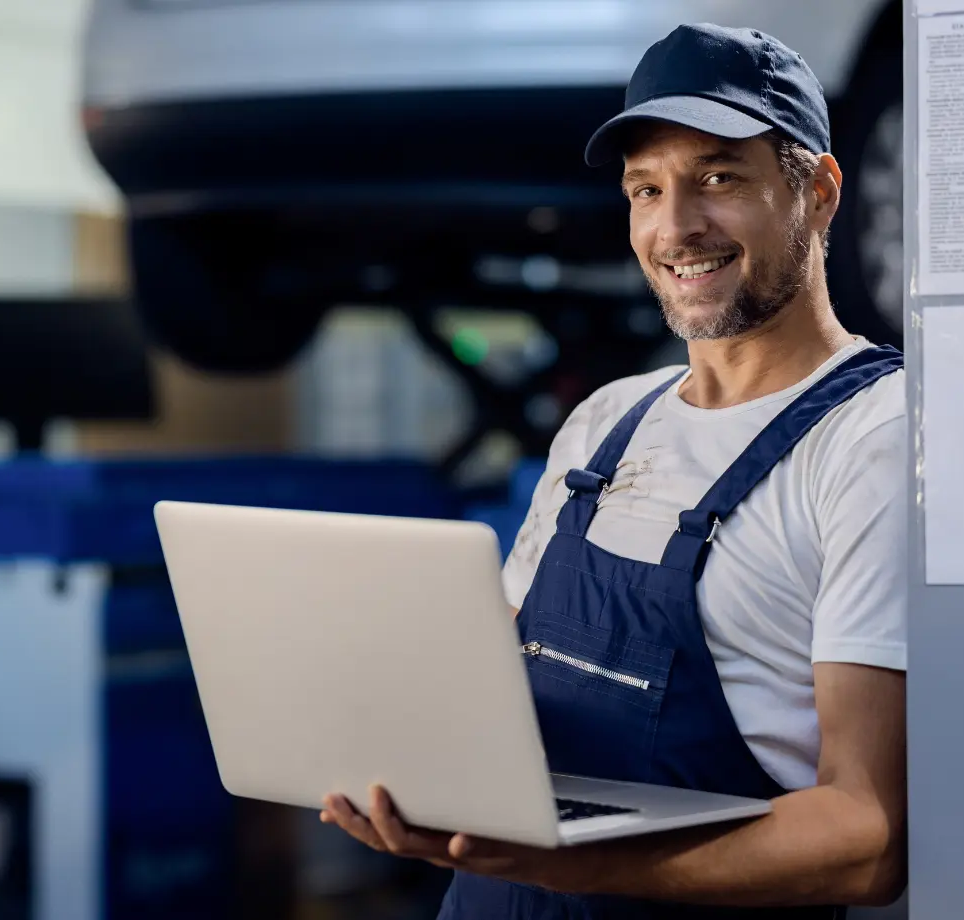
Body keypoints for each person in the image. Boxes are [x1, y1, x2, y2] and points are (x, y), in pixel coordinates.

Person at [320, 22, 908, 918]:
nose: (676, 227)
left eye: (719, 178)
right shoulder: (606, 423)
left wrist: (577, 864)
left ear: (819, 193)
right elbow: (497, 699)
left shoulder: (875, 437)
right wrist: (400, 763)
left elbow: (867, 836)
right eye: (647, 189)